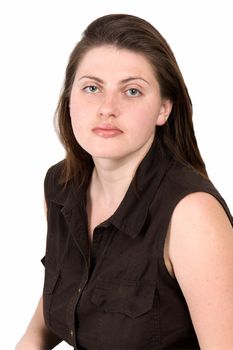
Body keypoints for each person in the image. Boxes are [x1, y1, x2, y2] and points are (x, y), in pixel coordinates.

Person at [16, 13, 233, 350]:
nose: (107, 108)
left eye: (132, 91)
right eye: (92, 88)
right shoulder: (59, 187)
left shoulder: (192, 215)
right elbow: (63, 299)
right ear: (69, 100)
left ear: (163, 109)